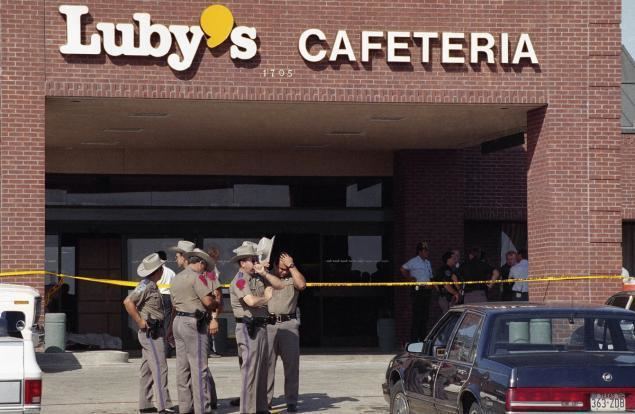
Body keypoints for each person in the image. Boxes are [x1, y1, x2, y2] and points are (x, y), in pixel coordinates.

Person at [229, 241, 284, 414]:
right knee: (250, 372)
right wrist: (267, 298)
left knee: (262, 370)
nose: (255, 262)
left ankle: (261, 408)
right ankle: (247, 410)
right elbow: (250, 301)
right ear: (242, 263)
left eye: (255, 259)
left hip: (261, 326)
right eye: (251, 260)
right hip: (248, 328)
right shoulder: (239, 281)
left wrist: (265, 273)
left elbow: (280, 285)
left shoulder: (257, 277)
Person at [123, 253, 175, 414]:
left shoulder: (152, 285)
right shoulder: (146, 285)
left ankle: (145, 403)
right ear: (157, 270)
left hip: (155, 330)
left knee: (147, 369)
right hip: (151, 332)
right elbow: (128, 302)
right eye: (161, 268)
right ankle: (163, 405)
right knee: (160, 367)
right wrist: (139, 321)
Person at [170, 248, 221, 414]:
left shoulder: (176, 278)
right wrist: (215, 303)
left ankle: (185, 407)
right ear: (199, 263)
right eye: (204, 266)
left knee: (182, 368)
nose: (204, 269)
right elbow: (207, 301)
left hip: (178, 321)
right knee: (200, 368)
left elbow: (173, 303)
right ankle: (202, 409)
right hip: (194, 323)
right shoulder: (197, 277)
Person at [266, 252, 306, 413]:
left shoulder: (292, 277)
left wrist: (292, 266)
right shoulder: (267, 277)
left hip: (289, 324)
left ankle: (291, 400)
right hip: (268, 324)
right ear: (275, 265)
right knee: (267, 365)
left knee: (291, 365)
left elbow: (302, 285)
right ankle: (265, 401)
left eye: (286, 269)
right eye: (281, 269)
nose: (284, 272)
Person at [400, 242, 434, 342]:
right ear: (420, 251)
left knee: (425, 316)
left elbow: (430, 276)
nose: (427, 252)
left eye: (427, 250)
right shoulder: (414, 261)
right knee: (417, 316)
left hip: (427, 291)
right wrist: (409, 278)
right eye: (425, 250)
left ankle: (423, 339)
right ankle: (414, 340)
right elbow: (402, 269)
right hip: (418, 290)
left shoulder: (428, 262)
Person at [156, 250, 176, 357]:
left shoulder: (155, 271)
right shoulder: (171, 272)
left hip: (157, 297)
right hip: (168, 297)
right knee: (167, 324)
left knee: (157, 323)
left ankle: (158, 351)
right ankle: (167, 351)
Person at [206, 246, 223, 358]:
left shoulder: (212, 268)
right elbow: (215, 287)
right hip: (212, 299)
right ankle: (211, 350)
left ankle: (210, 349)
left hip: (212, 298)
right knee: (211, 322)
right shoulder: (212, 269)